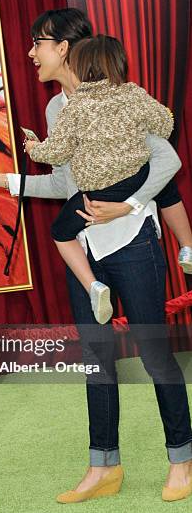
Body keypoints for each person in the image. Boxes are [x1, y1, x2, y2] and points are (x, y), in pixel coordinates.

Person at [0, 8, 192, 502]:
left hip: (134, 241)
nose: (32, 53)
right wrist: (6, 180)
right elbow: (67, 184)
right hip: (86, 249)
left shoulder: (122, 97)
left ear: (65, 48)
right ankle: (104, 467)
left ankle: (182, 459)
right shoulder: (57, 111)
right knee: (96, 361)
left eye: (39, 43)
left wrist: (129, 205)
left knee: (156, 357)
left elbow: (165, 162)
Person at [24, 35, 174, 324]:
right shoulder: (133, 93)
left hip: (96, 192)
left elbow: (56, 152)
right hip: (134, 180)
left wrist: (34, 149)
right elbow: (165, 124)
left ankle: (93, 286)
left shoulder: (76, 106)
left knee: (60, 232)